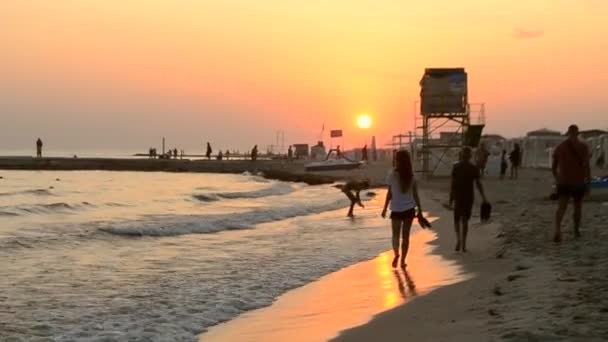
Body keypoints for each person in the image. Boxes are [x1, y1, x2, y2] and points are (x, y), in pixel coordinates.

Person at [381, 150, 424, 269]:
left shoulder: (392, 175)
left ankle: (396, 254)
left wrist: (384, 208)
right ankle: (403, 261)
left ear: (397, 160)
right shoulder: (411, 176)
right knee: (406, 237)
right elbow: (416, 195)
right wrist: (420, 210)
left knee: (395, 235)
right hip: (409, 209)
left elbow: (389, 194)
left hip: (396, 209)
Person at [552, 124, 590, 243]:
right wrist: (588, 182)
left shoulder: (560, 147)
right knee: (577, 207)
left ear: (568, 133)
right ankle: (576, 230)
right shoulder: (583, 147)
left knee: (561, 207)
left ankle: (558, 230)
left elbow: (553, 167)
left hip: (564, 181)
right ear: (578, 133)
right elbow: (587, 167)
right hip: (578, 182)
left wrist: (557, 178)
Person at [450, 147, 488, 252]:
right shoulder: (474, 168)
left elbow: (453, 184)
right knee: (465, 220)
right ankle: (464, 244)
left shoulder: (456, 166)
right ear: (470, 156)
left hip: (458, 196)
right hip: (468, 196)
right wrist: (483, 197)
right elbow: (478, 184)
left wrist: (451, 198)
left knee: (456, 219)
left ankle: (458, 239)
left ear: (461, 155)